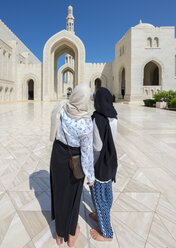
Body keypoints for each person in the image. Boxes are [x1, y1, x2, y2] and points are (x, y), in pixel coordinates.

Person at [50, 83, 95, 247]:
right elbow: (87, 152)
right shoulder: (86, 122)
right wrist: (90, 175)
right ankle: (71, 231)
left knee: (59, 193)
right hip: (74, 159)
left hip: (57, 155)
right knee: (73, 197)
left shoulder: (62, 108)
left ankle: (59, 233)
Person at [89, 87, 118, 242]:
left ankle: (106, 233)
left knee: (99, 196)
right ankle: (100, 215)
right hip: (111, 160)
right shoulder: (113, 116)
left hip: (99, 163)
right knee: (107, 191)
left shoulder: (97, 119)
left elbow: (96, 147)